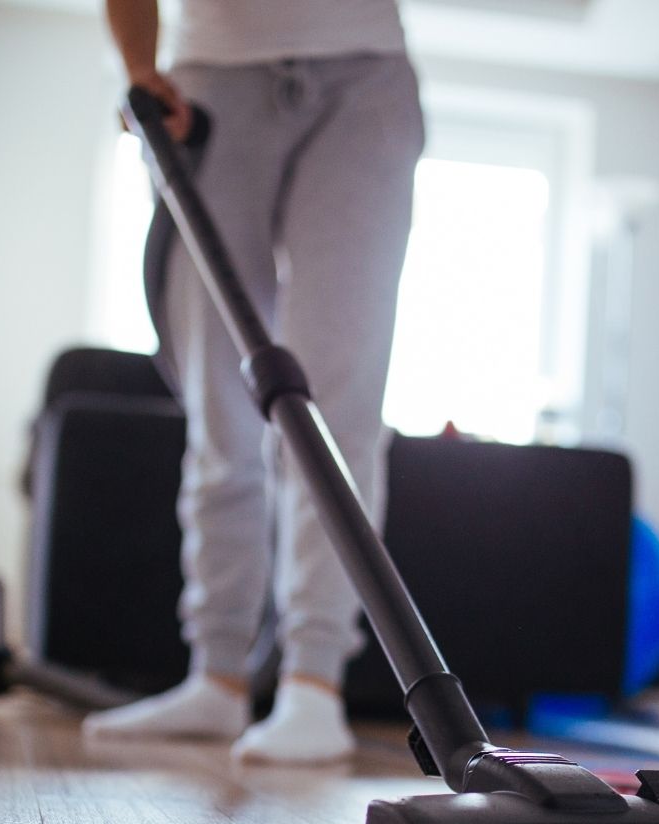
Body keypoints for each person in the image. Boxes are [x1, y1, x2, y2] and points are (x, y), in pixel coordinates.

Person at [83, 0, 425, 763]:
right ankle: (218, 677)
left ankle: (313, 685)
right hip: (208, 85)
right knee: (221, 404)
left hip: (364, 73)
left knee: (337, 412)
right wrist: (140, 69)